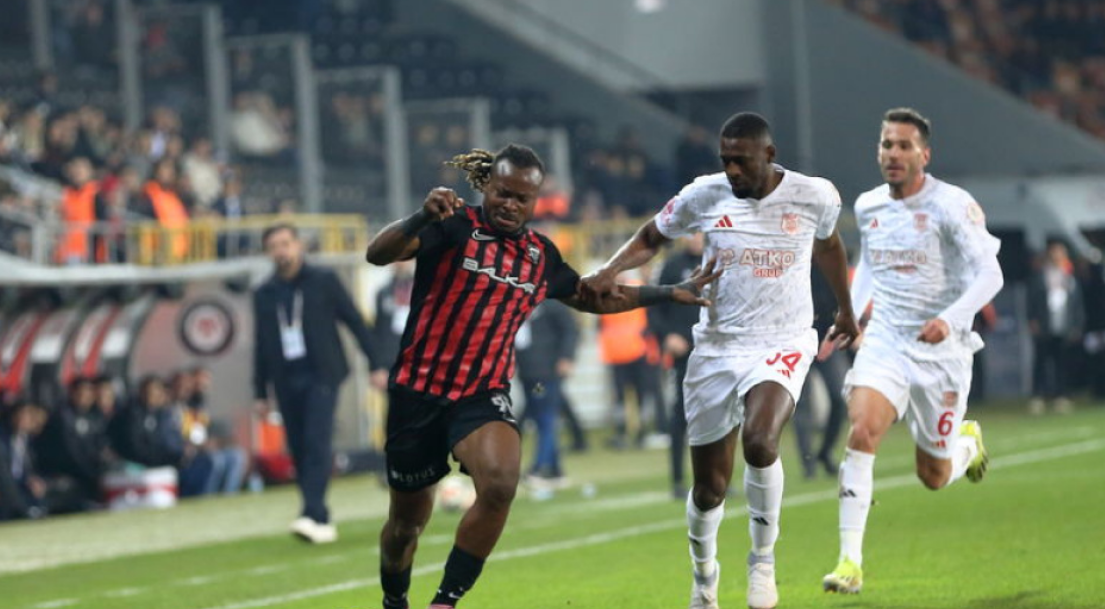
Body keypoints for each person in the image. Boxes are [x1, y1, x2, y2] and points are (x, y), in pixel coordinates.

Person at [363, 144, 719, 609]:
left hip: (480, 393)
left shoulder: (540, 255)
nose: (510, 204)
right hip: (417, 392)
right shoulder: (451, 225)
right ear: (487, 186)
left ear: (535, 202)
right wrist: (418, 218)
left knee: (500, 483)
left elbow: (592, 297)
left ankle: (445, 601)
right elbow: (377, 254)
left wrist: (669, 292)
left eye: (522, 198)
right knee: (405, 526)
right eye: (503, 193)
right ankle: (395, 600)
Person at [580, 112, 858, 609]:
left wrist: (847, 310)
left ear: (769, 155)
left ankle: (762, 563)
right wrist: (609, 269)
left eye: (741, 160)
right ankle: (704, 575)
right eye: (725, 159)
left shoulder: (814, 195)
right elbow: (652, 235)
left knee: (760, 440)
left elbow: (830, 245)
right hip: (716, 348)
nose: (731, 169)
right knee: (709, 488)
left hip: (783, 340)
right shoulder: (704, 194)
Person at [821, 108, 1003, 595]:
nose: (893, 154)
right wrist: (850, 314)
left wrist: (950, 319)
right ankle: (849, 562)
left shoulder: (952, 205)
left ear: (925, 154)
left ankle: (967, 445)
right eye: (887, 144)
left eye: (904, 146)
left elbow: (991, 274)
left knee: (934, 475)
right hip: (886, 342)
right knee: (862, 428)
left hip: (943, 355)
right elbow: (870, 265)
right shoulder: (868, 206)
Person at [253, 223, 385, 543]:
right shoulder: (264, 293)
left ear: (298, 245)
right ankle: (318, 515)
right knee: (298, 445)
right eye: (274, 246)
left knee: (316, 439)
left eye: (286, 243)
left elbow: (354, 320)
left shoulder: (323, 280)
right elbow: (261, 344)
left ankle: (312, 512)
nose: (281, 251)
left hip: (322, 372)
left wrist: (376, 363)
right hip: (286, 376)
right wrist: (260, 390)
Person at [649, 233, 705, 499]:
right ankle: (678, 480)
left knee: (719, 417)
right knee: (680, 415)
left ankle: (716, 476)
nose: (695, 238)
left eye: (700, 232)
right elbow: (654, 305)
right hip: (683, 353)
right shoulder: (672, 265)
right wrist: (667, 335)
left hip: (716, 351)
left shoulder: (718, 262)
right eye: (691, 232)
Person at [792, 267, 851, 479]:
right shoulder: (793, 257)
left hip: (828, 336)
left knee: (840, 395)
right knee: (802, 404)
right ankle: (808, 463)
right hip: (797, 339)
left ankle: (825, 451)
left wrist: (842, 324)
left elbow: (842, 292)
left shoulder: (830, 256)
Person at [515, 299, 578, 488]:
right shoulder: (518, 302)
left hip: (544, 374)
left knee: (545, 417)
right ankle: (555, 470)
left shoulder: (551, 304)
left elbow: (570, 330)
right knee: (541, 416)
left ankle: (539, 467)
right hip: (527, 373)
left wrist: (566, 357)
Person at [1027, 240, 1084, 415]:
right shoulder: (1040, 276)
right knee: (1041, 362)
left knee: (1062, 363)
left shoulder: (1070, 278)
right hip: (1045, 325)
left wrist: (1076, 325)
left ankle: (1061, 396)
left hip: (1063, 326)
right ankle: (1038, 396)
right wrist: (1032, 320)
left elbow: (1077, 304)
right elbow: (1032, 300)